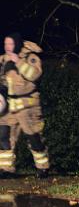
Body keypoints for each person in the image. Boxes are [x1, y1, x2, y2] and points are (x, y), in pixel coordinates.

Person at [0, 33, 50, 178]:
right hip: (10, 107)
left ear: (17, 44)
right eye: (5, 44)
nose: (7, 47)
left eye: (10, 44)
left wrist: (19, 62)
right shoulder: (4, 59)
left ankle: (43, 168)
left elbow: (34, 75)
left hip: (28, 107)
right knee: (4, 136)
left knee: (34, 137)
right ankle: (6, 169)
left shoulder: (31, 57)